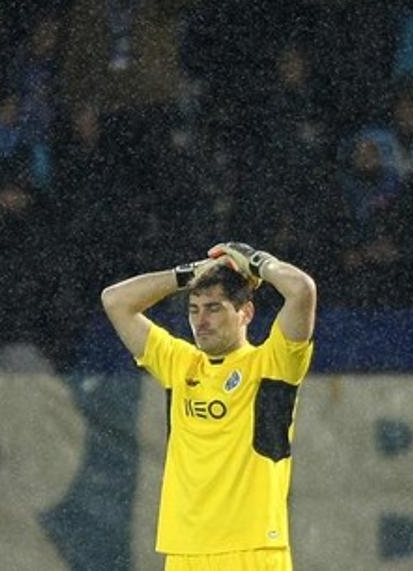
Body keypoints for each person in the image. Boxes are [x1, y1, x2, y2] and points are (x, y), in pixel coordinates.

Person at [100, 242, 317, 571]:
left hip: (252, 549)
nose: (201, 320)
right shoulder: (180, 364)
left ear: (245, 313)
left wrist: (257, 263)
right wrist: (189, 273)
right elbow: (115, 301)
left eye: (214, 308)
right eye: (194, 309)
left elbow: (301, 290)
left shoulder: (272, 364)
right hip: (185, 549)